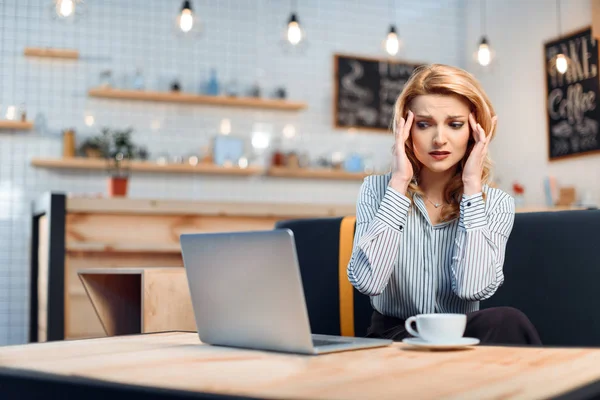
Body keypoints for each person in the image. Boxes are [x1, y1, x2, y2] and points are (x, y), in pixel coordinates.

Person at [347, 64, 541, 345]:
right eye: (424, 124)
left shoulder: (496, 204)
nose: (439, 139)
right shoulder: (375, 190)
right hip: (395, 339)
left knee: (507, 321)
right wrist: (399, 183)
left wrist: (472, 188)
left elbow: (472, 288)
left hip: (461, 337)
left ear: (476, 131)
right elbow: (368, 282)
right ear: (405, 130)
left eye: (455, 124)